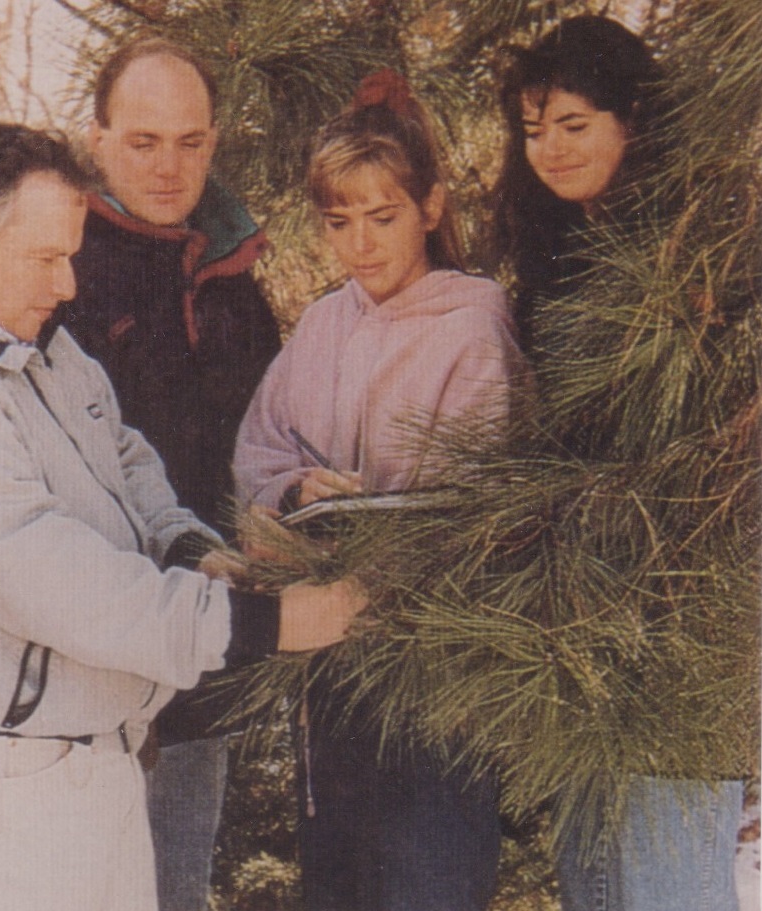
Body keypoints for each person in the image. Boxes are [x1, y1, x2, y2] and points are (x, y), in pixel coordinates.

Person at [0, 120, 367, 911]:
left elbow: (123, 454)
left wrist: (188, 547)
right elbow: (51, 579)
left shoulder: (21, 337)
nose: (66, 284)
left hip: (80, 754)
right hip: (6, 776)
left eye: (68, 254)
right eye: (45, 257)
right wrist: (266, 622)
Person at [232, 70, 524, 911]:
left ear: (429, 207)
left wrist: (365, 519)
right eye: (339, 221)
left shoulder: (471, 322)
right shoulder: (325, 321)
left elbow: (478, 496)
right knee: (339, 883)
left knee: (427, 877)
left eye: (383, 216)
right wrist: (293, 492)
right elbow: (260, 445)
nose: (361, 243)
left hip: (433, 674)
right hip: (329, 666)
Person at [492, 17, 747, 911]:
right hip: (579, 623)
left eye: (572, 124)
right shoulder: (550, 264)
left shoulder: (703, 250)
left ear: (631, 120)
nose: (549, 151)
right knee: (595, 886)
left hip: (683, 628)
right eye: (532, 131)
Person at [65, 36, 284, 911]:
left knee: (177, 885)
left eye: (189, 142)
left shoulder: (233, 273)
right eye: (143, 140)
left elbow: (273, 439)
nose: (167, 165)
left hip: (205, 651)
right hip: (86, 655)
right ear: (97, 139)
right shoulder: (60, 263)